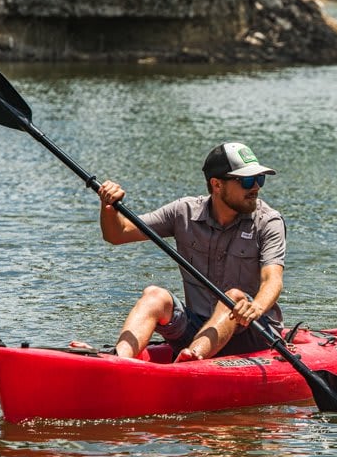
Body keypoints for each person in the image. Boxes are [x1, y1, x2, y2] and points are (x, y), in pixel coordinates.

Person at [97, 142, 285, 362]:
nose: (256, 187)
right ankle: (119, 361)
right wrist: (109, 207)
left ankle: (190, 361)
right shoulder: (183, 212)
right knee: (154, 295)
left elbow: (272, 279)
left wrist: (256, 307)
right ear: (216, 184)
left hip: (251, 331)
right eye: (246, 181)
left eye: (259, 179)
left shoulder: (269, 221)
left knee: (232, 297)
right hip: (197, 326)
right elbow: (117, 234)